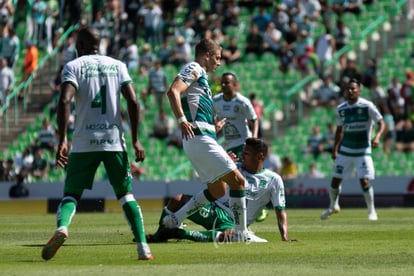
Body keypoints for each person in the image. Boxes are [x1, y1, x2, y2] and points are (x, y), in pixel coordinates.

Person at [41, 27, 153, 261]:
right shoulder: (118, 65)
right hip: (114, 141)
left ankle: (62, 227)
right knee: (126, 195)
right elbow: (133, 100)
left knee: (71, 194)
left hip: (83, 142)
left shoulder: (74, 66)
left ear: (79, 46)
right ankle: (143, 247)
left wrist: (62, 140)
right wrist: (135, 139)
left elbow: (64, 102)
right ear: (99, 44)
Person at [165, 38, 262, 242]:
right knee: (239, 181)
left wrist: (212, 127)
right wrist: (182, 120)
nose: (219, 63)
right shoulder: (194, 67)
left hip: (203, 137)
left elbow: (194, 105)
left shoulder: (203, 77)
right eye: (217, 58)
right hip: (199, 139)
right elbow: (173, 92)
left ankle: (175, 219)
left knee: (218, 190)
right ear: (206, 56)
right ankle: (241, 233)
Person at [147, 138, 295, 243]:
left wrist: (284, 236)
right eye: (243, 152)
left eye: (247, 154)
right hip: (213, 209)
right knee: (176, 200)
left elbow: (280, 210)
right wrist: (222, 165)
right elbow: (214, 185)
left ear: (260, 157)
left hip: (233, 221)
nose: (242, 155)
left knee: (229, 236)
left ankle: (180, 233)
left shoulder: (274, 179)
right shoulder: (235, 168)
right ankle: (159, 235)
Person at [320, 78, 385, 221]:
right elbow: (339, 131)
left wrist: (377, 137)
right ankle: (333, 206)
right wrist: (335, 149)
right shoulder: (341, 109)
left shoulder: (367, 106)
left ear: (359, 90)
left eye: (353, 89)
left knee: (364, 181)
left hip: (363, 151)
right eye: (348, 89)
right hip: (345, 151)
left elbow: (381, 122)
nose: (350, 91)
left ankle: (371, 211)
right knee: (335, 181)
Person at [213, 72, 258, 159]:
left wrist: (254, 137)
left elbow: (254, 119)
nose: (223, 85)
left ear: (235, 84)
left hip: (243, 142)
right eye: (222, 83)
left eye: (226, 83)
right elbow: (211, 117)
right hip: (228, 144)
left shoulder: (242, 102)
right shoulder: (216, 100)